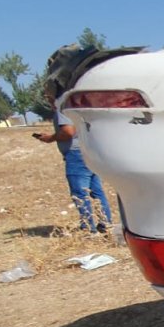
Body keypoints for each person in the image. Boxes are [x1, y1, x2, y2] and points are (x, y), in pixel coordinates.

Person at [33, 45, 112, 233]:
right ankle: (105, 224)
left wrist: (50, 138)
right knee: (96, 191)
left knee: (80, 192)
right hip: (90, 149)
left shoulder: (64, 101)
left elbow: (68, 131)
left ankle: (88, 228)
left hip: (76, 153)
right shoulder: (80, 97)